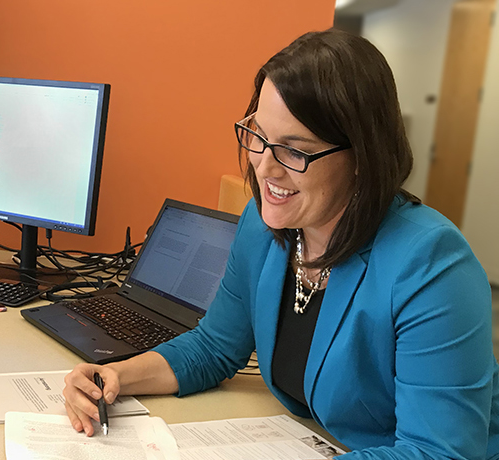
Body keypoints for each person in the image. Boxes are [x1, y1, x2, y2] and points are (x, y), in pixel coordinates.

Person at [64, 29, 498, 459]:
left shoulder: (433, 266)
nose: (264, 167)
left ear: (364, 157)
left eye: (295, 151)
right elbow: (214, 347)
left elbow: (439, 453)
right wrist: (113, 377)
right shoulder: (262, 224)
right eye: (259, 136)